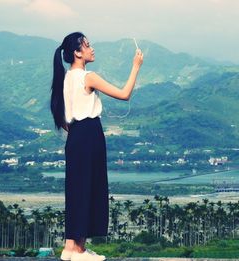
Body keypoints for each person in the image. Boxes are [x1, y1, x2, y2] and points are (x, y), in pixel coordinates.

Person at [50, 32, 143, 261]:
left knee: (76, 191)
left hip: (75, 136)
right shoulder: (87, 77)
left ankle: (70, 247)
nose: (92, 49)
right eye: (87, 45)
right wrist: (136, 66)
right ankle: (80, 251)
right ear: (77, 53)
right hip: (89, 134)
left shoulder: (66, 78)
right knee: (89, 189)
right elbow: (124, 94)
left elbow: (64, 116)